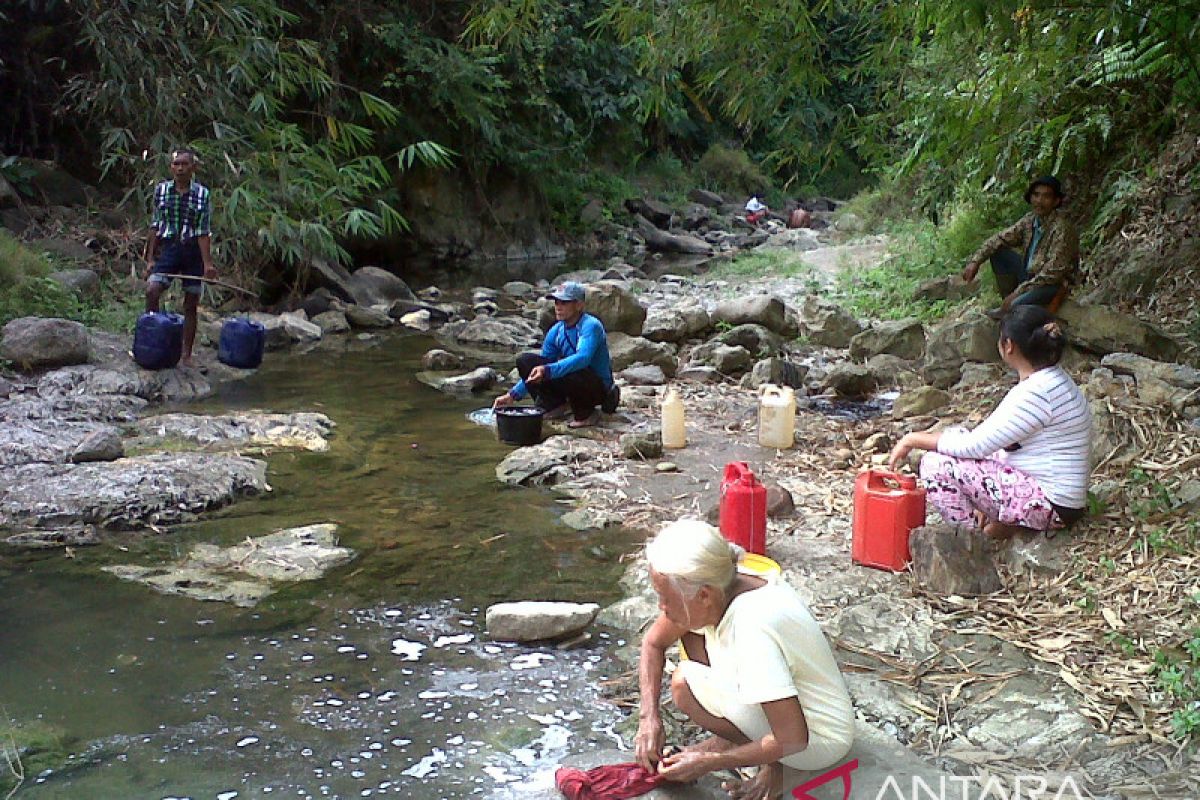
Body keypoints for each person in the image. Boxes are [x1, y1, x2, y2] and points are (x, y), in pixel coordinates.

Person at [635, 519, 855, 800]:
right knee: (686, 669)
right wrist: (649, 718)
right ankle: (737, 744)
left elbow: (793, 738)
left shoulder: (752, 626)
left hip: (817, 739)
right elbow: (653, 643)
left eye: (665, 598)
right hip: (792, 713)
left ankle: (780, 765)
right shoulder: (725, 581)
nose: (661, 607)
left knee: (683, 683)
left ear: (704, 595)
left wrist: (709, 763)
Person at [887, 305, 1091, 539]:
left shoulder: (1035, 393)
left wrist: (913, 439)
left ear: (1009, 346)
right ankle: (996, 520)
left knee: (936, 464)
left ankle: (972, 542)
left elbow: (975, 446)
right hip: (1061, 497)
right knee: (957, 434)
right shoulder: (1054, 380)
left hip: (1051, 504)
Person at [492, 281, 617, 428]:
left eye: (564, 302)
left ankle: (587, 413)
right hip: (574, 380)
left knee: (570, 367)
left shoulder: (590, 325)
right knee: (525, 361)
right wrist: (512, 395)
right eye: (556, 302)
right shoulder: (556, 330)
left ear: (579, 305)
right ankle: (554, 405)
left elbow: (583, 358)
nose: (558, 306)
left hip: (598, 387)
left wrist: (548, 370)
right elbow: (539, 368)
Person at [961, 175, 1079, 320]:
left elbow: (1052, 274)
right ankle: (1010, 303)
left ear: (1056, 201)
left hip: (1053, 285)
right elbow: (999, 239)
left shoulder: (1062, 229)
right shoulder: (1030, 221)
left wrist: (1018, 292)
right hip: (1030, 276)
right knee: (999, 254)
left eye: (1046, 197)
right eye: (1036, 195)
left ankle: (1015, 307)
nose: (1039, 201)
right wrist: (975, 261)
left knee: (1015, 306)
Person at [143, 147, 216, 367]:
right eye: (176, 164)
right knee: (152, 290)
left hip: (193, 250)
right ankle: (153, 337)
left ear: (193, 168)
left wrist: (208, 265)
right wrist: (149, 259)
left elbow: (203, 231)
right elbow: (155, 225)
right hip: (169, 248)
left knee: (191, 302)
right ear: (171, 167)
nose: (180, 168)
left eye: (185, 164)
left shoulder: (202, 194)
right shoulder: (162, 191)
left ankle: (186, 355)